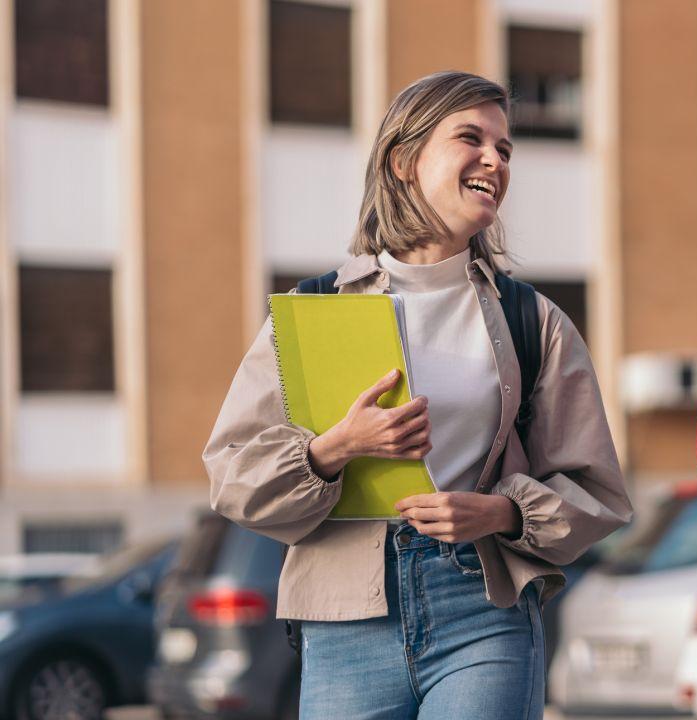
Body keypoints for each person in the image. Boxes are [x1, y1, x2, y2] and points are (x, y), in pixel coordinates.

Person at [204, 71, 632, 719]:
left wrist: (502, 514)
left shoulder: (531, 321)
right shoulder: (314, 310)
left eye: (506, 148)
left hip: (482, 610)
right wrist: (331, 450)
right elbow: (233, 473)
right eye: (471, 138)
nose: (495, 159)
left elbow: (598, 493)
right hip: (346, 620)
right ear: (404, 161)